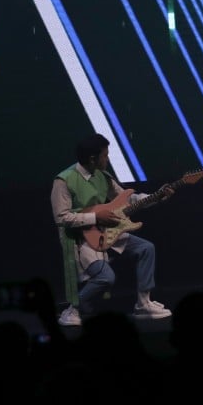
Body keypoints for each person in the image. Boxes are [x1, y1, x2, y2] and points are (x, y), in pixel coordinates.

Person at [51, 133, 174, 325]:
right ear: (93, 159)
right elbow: (61, 217)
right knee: (105, 278)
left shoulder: (103, 176)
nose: (107, 159)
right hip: (81, 239)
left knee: (145, 249)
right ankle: (72, 309)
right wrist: (95, 217)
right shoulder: (64, 181)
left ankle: (143, 303)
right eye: (105, 155)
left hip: (107, 231)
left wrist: (157, 196)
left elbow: (127, 199)